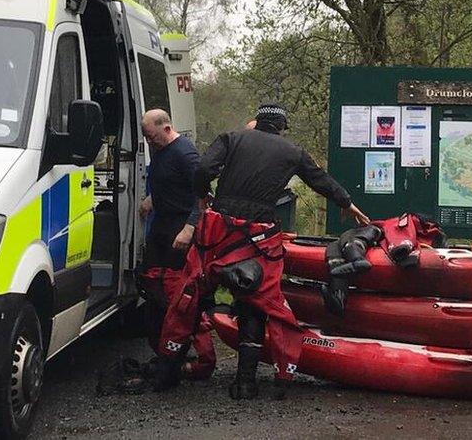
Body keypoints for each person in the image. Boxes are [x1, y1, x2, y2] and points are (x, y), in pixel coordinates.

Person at [152, 103, 369, 400]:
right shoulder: (293, 151)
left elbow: (203, 169)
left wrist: (203, 198)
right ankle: (246, 383)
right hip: (259, 236)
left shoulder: (232, 137)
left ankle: (166, 373)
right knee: (257, 299)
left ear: (258, 120)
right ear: (280, 127)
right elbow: (321, 181)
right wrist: (348, 204)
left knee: (190, 295)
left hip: (218, 229)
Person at [137, 109, 215, 380]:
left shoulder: (185, 153)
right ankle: (163, 346)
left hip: (180, 228)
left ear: (166, 128)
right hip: (161, 224)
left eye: (150, 136)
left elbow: (203, 197)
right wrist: (151, 200)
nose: (149, 142)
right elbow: (165, 183)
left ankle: (181, 349)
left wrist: (189, 228)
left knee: (177, 292)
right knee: (151, 283)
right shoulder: (160, 150)